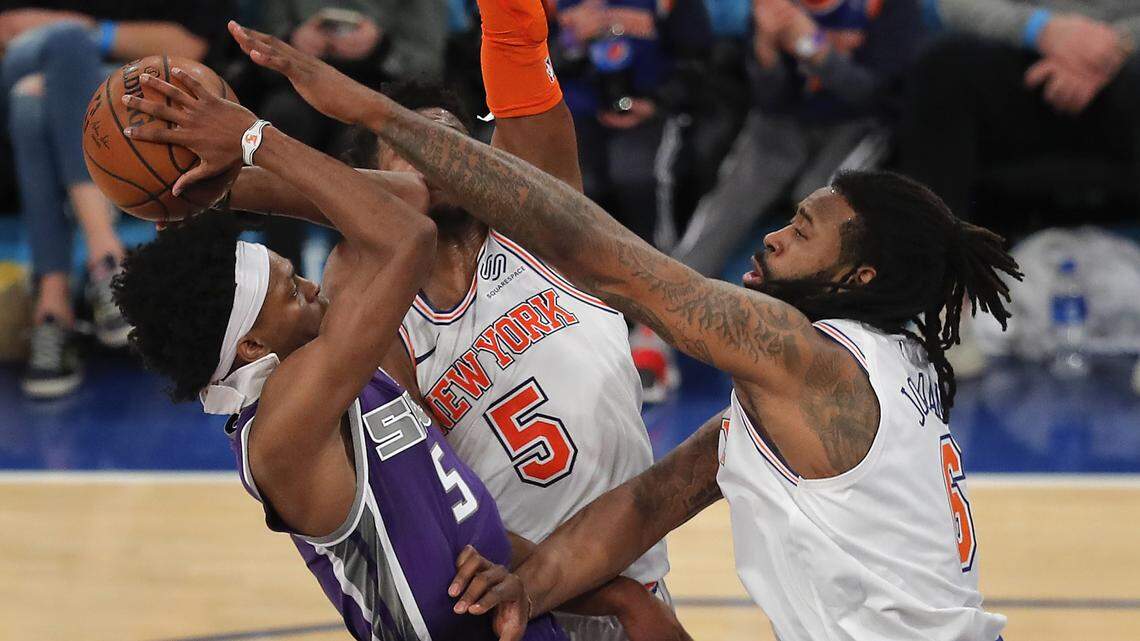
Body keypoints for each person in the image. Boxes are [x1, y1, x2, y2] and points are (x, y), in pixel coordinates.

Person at [219, 20, 1024, 640]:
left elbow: (614, 260)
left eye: (806, 230)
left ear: (859, 277)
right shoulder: (865, 359)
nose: (775, 234)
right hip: (520, 583)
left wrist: (316, 126)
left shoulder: (803, 356)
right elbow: (657, 493)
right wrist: (541, 586)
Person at [111, 26, 682, 641]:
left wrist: (244, 154)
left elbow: (514, 74)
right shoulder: (365, 323)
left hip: (613, 581)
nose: (436, 153)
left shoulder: (546, 230)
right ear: (368, 181)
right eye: (411, 145)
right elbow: (406, 218)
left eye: (451, 141)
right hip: (517, 590)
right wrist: (228, 161)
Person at [0, 2, 229, 398]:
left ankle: (52, 312)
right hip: (25, 68)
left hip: (123, 91)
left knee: (32, 104)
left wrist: (93, 33)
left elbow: (188, 47)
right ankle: (107, 257)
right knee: (65, 45)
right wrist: (74, 40)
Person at [900, 0, 1140, 224]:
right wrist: (1042, 29)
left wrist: (1112, 48)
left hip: (1127, 64)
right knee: (943, 67)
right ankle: (936, 256)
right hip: (1030, 56)